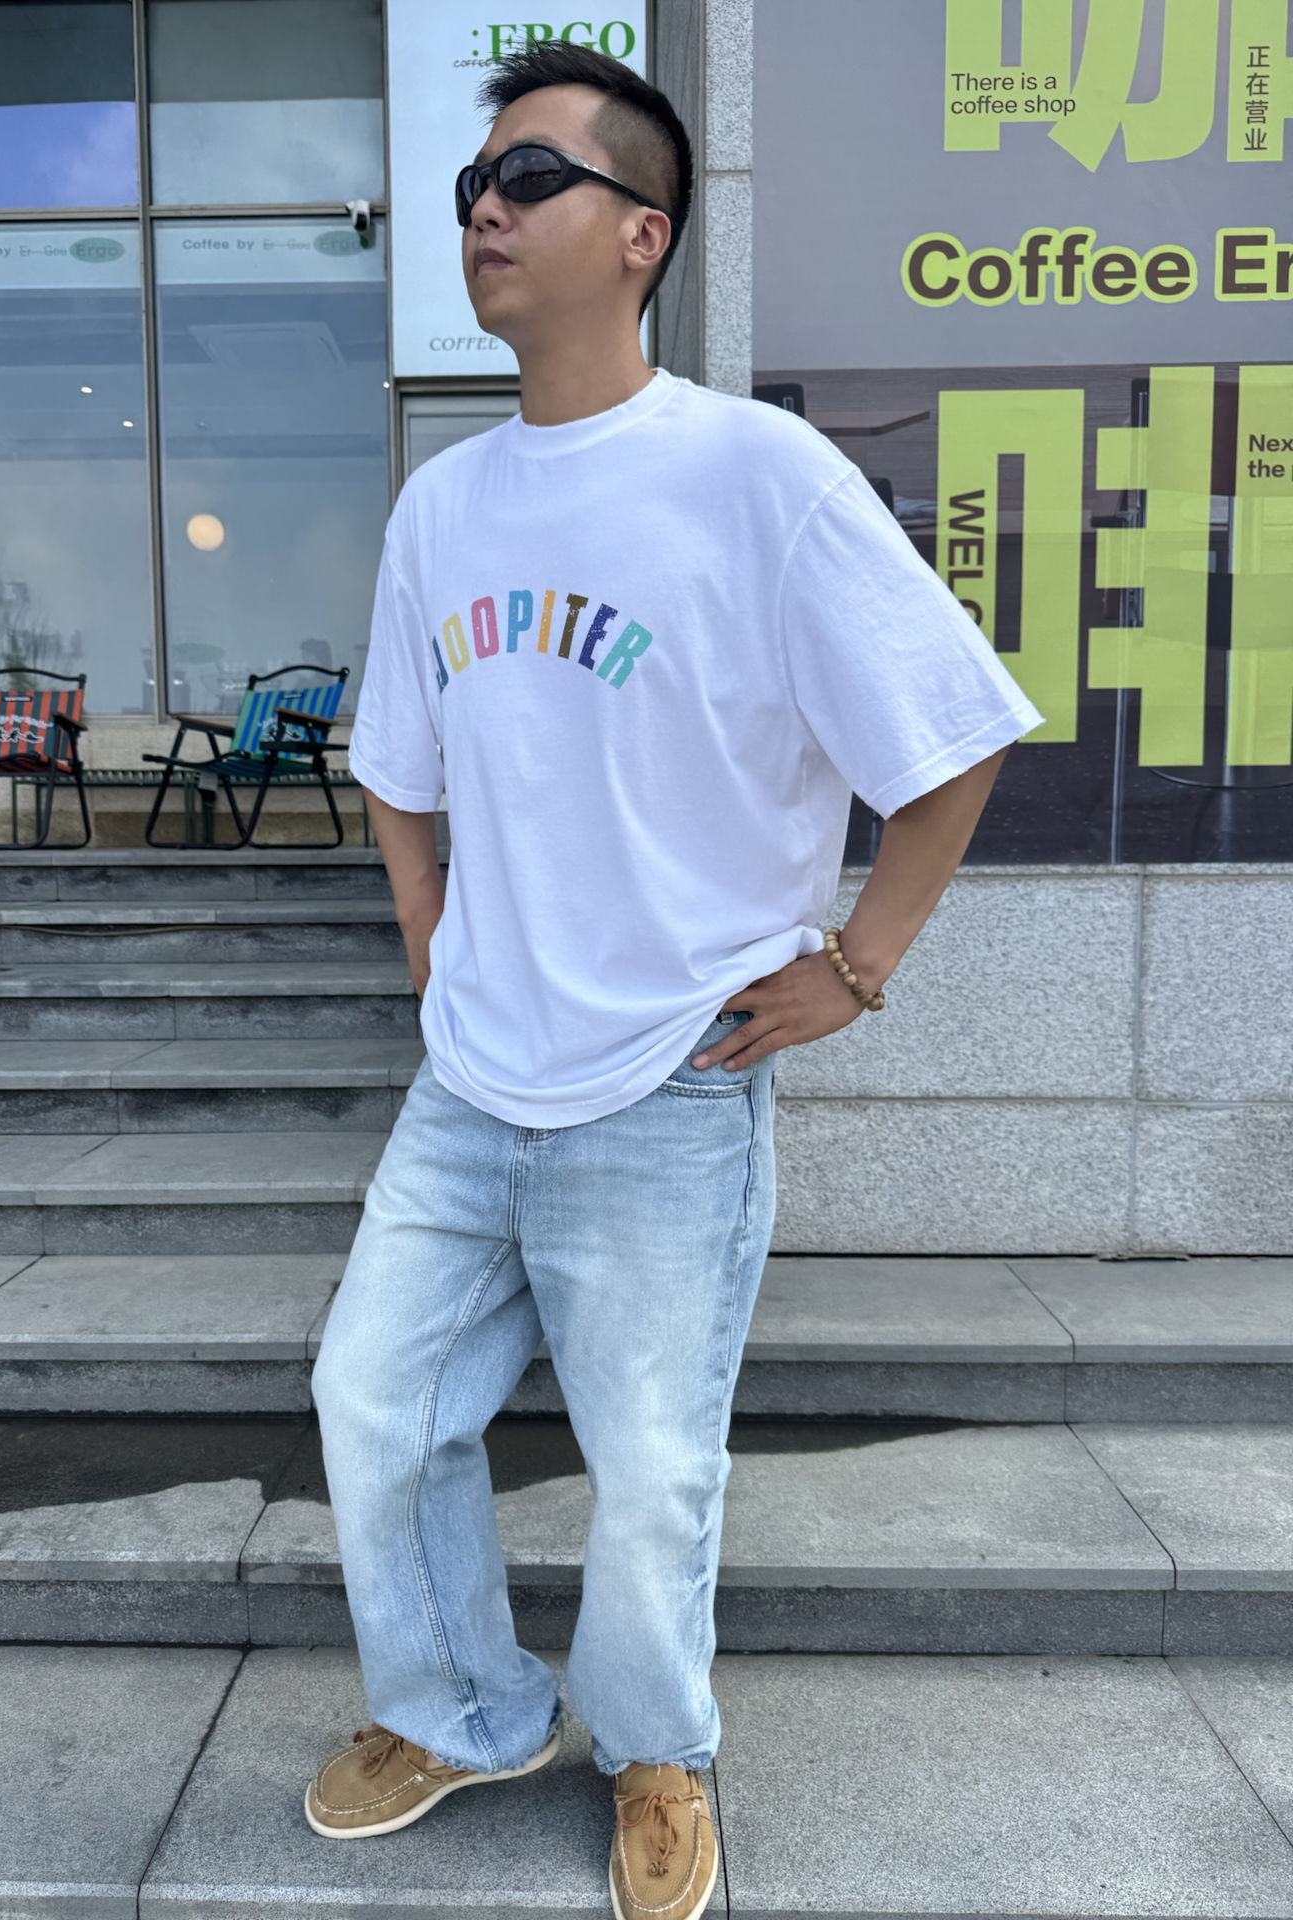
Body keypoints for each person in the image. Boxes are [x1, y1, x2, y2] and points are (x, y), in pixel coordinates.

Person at [306, 39, 1040, 1920]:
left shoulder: (753, 473)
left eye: (530, 178)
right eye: (475, 184)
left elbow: (953, 733)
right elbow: (398, 764)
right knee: (373, 1400)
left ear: (642, 234)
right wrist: (428, 932)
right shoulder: (445, 508)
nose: (485, 209)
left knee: (650, 1468)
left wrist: (860, 963)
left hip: (671, 1076)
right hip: (476, 1072)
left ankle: (656, 1748)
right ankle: (466, 1710)